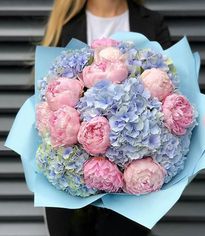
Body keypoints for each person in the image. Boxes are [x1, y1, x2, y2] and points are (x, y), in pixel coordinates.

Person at [42, 0, 171, 235]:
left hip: (133, 198)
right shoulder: (65, 24)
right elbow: (45, 101)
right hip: (69, 193)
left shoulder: (153, 24)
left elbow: (171, 90)